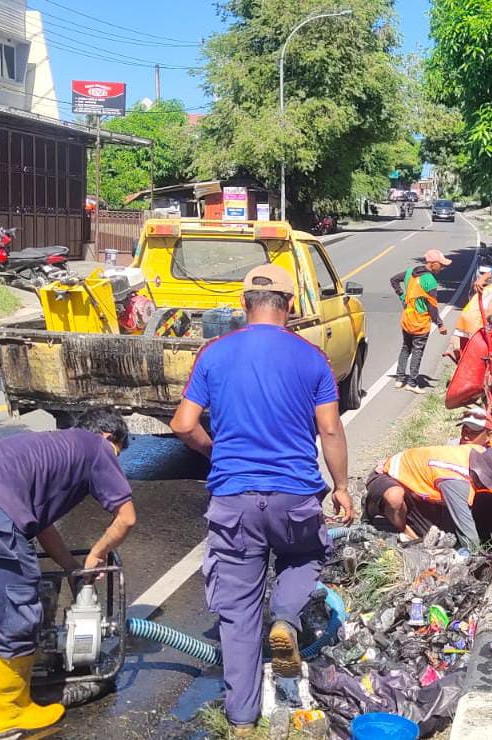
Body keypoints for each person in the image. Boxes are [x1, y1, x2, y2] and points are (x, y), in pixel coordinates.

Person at [169, 263, 355, 735]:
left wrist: (217, 454)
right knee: (305, 555)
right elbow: (330, 428)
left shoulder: (213, 353)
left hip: (234, 497)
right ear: (290, 306)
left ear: (243, 304)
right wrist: (342, 487)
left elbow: (182, 425)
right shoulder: (313, 358)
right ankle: (287, 621)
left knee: (238, 612)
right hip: (294, 495)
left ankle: (242, 721)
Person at [0, 409, 137, 739]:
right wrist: (96, 554)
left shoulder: (49, 449)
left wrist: (71, 568)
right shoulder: (97, 447)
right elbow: (126, 518)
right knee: (15, 614)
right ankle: (9, 712)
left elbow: (41, 526)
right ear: (109, 438)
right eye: (118, 452)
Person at [363, 443, 492, 549]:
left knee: (434, 534)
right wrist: (475, 555)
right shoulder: (454, 481)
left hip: (415, 487)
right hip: (387, 476)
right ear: (477, 473)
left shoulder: (478, 451)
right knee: (395, 497)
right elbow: (466, 529)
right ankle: (381, 512)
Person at [391, 249, 450, 392]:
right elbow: (432, 306)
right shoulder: (430, 281)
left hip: (407, 318)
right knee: (418, 351)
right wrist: (440, 324)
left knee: (406, 348)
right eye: (441, 265)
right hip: (420, 322)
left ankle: (399, 379)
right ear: (433, 264)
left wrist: (402, 297)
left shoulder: (411, 272)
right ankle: (412, 383)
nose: (442, 268)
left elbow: (394, 280)